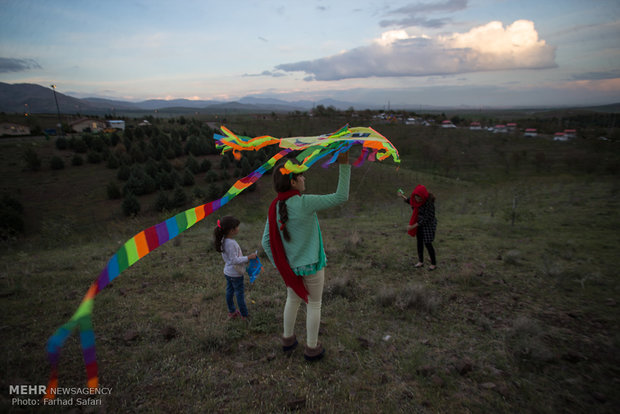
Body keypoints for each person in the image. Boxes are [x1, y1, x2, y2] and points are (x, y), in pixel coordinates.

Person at [262, 151, 350, 361]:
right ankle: (312, 348)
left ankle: (288, 339)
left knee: (292, 300)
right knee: (314, 304)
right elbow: (341, 197)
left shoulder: (274, 206)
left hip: (291, 268)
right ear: (293, 181)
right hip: (311, 266)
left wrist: (281, 266)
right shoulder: (305, 202)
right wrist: (345, 165)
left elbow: (266, 242)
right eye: (300, 176)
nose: (304, 178)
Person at [214, 215, 257, 320]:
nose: (238, 228)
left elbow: (230, 259)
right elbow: (234, 260)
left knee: (229, 291)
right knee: (239, 294)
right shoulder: (231, 243)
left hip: (228, 272)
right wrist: (248, 257)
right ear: (231, 230)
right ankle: (244, 315)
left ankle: (232, 311)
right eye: (237, 227)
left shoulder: (223, 240)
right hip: (235, 273)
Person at [398, 185, 438, 270]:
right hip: (419, 224)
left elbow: (426, 218)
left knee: (427, 243)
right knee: (419, 242)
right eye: (416, 198)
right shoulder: (415, 200)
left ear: (423, 196)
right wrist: (402, 195)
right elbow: (410, 201)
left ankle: (433, 264)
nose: (417, 200)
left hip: (428, 225)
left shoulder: (429, 203)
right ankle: (420, 262)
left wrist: (412, 226)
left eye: (419, 199)